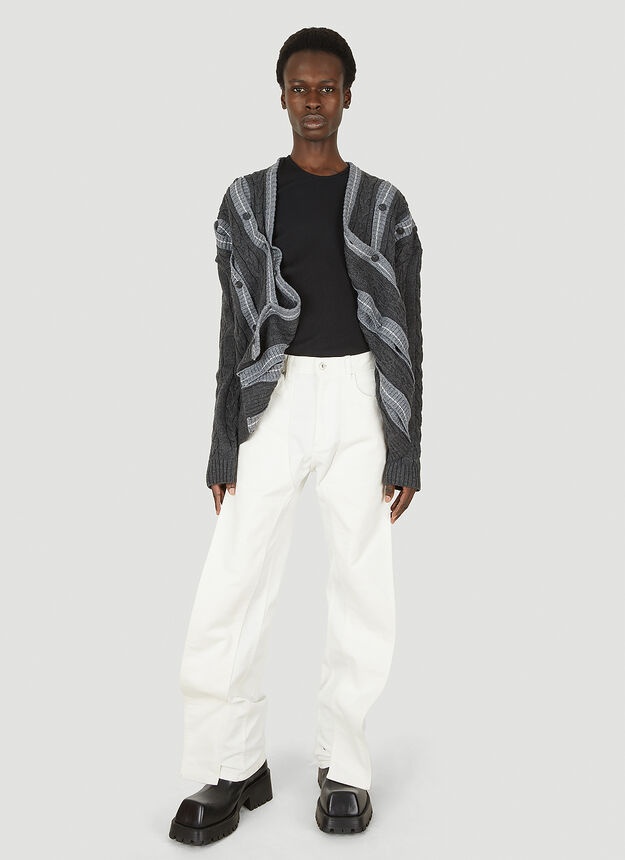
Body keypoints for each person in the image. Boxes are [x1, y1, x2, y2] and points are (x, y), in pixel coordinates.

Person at [168, 26, 424, 846]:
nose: (313, 101)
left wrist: (406, 445)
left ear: (348, 95)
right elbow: (231, 329)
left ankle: (343, 766)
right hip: (267, 402)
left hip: (358, 398)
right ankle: (231, 762)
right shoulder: (246, 200)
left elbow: (408, 330)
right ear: (281, 95)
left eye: (327, 87)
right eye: (299, 87)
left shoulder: (384, 204)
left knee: (361, 586)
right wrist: (222, 444)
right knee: (234, 582)